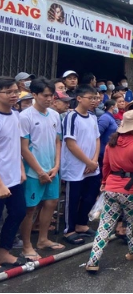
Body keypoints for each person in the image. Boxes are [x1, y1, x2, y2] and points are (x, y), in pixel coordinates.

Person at [86, 110, 133, 272]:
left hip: (111, 189)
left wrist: (105, 182)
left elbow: (105, 166)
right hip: (132, 190)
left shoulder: (111, 143)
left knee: (105, 225)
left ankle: (93, 260)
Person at [19, 78, 64, 261]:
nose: (49, 99)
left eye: (51, 95)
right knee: (30, 209)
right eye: (45, 95)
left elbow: (57, 141)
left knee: (51, 203)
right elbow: (23, 147)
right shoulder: (25, 116)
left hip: (52, 169)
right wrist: (39, 171)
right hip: (33, 172)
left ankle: (43, 240)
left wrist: (56, 165)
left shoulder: (54, 115)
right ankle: (26, 245)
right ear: (35, 95)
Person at [60, 84, 101, 245]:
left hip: (92, 166)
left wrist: (94, 161)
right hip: (75, 166)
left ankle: (81, 224)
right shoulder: (72, 117)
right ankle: (69, 230)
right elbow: (70, 143)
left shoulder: (92, 117)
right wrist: (88, 161)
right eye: (90, 98)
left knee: (90, 196)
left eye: (95, 98)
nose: (93, 101)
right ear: (79, 98)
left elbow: (97, 139)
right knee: (73, 198)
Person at [0, 77, 27, 267]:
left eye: (15, 91)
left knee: (18, 211)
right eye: (8, 92)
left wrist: (21, 169)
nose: (14, 95)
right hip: (1, 180)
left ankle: (3, 252)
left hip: (14, 177)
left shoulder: (16, 115)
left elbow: (15, 146)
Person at [98, 100, 118, 167]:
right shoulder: (105, 117)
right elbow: (98, 133)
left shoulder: (111, 117)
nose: (117, 108)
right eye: (116, 106)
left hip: (109, 149)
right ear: (112, 107)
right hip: (103, 150)